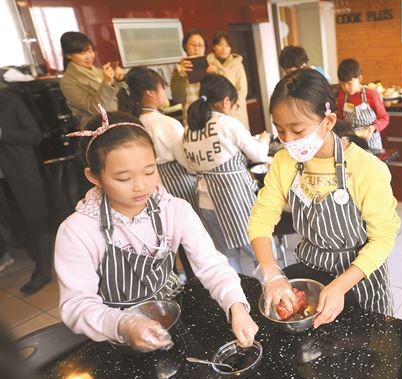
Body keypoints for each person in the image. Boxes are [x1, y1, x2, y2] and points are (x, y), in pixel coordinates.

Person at [55, 107, 258, 351]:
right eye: (123, 178)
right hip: (110, 336)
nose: (141, 186)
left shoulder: (174, 210)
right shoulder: (78, 231)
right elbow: (76, 305)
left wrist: (236, 306)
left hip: (171, 317)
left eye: (150, 171)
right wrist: (124, 324)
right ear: (94, 176)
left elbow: (212, 265)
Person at [248, 69, 400, 327]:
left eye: (297, 130)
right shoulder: (284, 163)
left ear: (328, 122)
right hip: (311, 273)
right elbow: (261, 219)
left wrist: (341, 285)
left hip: (360, 278)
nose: (288, 141)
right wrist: (272, 273)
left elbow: (382, 239)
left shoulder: (367, 169)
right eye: (280, 131)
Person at [183, 74, 269, 274]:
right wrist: (264, 139)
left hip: (206, 203)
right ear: (226, 102)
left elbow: (190, 166)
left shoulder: (189, 129)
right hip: (235, 200)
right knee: (263, 256)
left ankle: (240, 302)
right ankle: (273, 300)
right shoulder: (228, 124)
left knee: (227, 260)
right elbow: (259, 155)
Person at [118, 66, 198, 211]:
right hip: (178, 183)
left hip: (151, 187)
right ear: (150, 93)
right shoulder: (167, 123)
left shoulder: (131, 124)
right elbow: (188, 163)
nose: (164, 93)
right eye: (162, 88)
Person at [0, 86, 52, 294]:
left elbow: (34, 135)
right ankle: (39, 262)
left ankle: (43, 270)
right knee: (16, 224)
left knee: (36, 221)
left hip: (20, 174)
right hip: (3, 181)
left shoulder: (9, 99)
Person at [59, 31, 125, 128]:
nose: (89, 56)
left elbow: (114, 97)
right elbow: (94, 109)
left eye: (90, 51)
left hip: (118, 120)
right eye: (82, 53)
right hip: (99, 128)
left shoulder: (98, 71)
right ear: (68, 55)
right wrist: (107, 82)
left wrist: (118, 79)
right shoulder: (67, 81)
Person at [336, 58, 389, 153]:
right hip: (351, 143)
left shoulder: (371, 95)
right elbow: (340, 119)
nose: (346, 87)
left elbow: (384, 118)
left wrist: (373, 128)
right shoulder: (342, 97)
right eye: (343, 84)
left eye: (349, 83)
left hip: (371, 142)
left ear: (359, 79)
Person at [170, 29, 219, 124]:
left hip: (213, 117)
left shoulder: (213, 66)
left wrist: (214, 75)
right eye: (192, 45)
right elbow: (178, 98)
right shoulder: (179, 69)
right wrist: (180, 76)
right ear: (185, 47)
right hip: (191, 119)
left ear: (205, 48)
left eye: (200, 45)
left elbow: (222, 95)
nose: (196, 48)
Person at [207, 32, 250, 130]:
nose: (224, 49)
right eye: (220, 45)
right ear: (213, 46)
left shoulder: (237, 64)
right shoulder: (207, 65)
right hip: (216, 111)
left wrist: (233, 106)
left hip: (236, 109)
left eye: (227, 45)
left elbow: (242, 90)